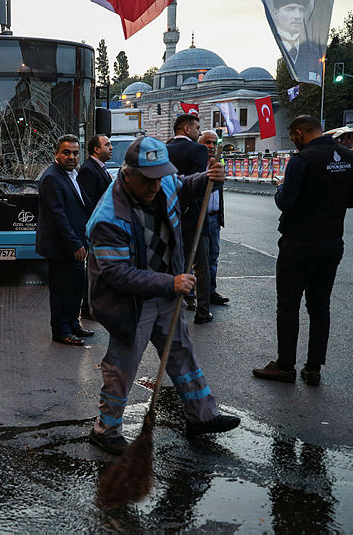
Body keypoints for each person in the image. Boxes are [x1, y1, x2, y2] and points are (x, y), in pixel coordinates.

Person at [86, 136, 240, 455]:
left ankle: (202, 415)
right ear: (127, 175)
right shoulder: (108, 217)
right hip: (129, 300)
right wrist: (171, 284)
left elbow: (182, 185)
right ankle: (106, 428)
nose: (156, 186)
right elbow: (116, 274)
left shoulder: (165, 180)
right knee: (122, 364)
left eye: (160, 177)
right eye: (148, 180)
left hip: (167, 286)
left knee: (181, 351)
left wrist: (205, 179)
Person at [252, 115, 353, 387]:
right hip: (332, 242)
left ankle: (286, 365)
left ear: (299, 133)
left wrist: (279, 188)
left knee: (288, 304)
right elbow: (351, 201)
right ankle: (313, 368)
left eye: (293, 137)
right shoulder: (351, 157)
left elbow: (286, 202)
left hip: (299, 243)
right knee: (320, 306)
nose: (293, 142)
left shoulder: (301, 160)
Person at [36, 134, 93, 346]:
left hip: (76, 243)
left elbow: (81, 207)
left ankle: (73, 324)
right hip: (62, 247)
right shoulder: (51, 177)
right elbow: (57, 216)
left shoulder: (71, 174)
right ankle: (61, 330)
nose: (71, 157)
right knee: (61, 290)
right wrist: (74, 244)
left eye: (75, 153)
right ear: (56, 154)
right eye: (66, 152)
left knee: (75, 286)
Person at [167, 113, 213, 324]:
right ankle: (203, 310)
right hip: (193, 215)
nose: (199, 132)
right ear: (186, 129)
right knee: (201, 265)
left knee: (174, 261)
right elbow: (199, 184)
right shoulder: (198, 149)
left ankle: (175, 305)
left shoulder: (163, 150)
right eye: (197, 128)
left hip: (168, 214)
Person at [77, 134, 113, 320]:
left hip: (103, 227)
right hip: (96, 228)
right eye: (107, 145)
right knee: (93, 269)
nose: (111, 147)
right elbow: (88, 203)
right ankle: (87, 306)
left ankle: (93, 304)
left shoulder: (100, 168)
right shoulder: (89, 170)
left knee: (98, 268)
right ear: (96, 149)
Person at [199, 130, 229, 307]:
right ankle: (193, 292)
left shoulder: (218, 162)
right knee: (199, 259)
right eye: (207, 143)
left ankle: (210, 291)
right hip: (199, 218)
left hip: (214, 218)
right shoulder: (196, 163)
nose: (210, 147)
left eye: (213, 143)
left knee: (213, 256)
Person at [268, 0, 322, 84]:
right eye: (290, 9)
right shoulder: (269, 46)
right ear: (275, 13)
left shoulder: (314, 52)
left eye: (301, 10)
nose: (298, 16)